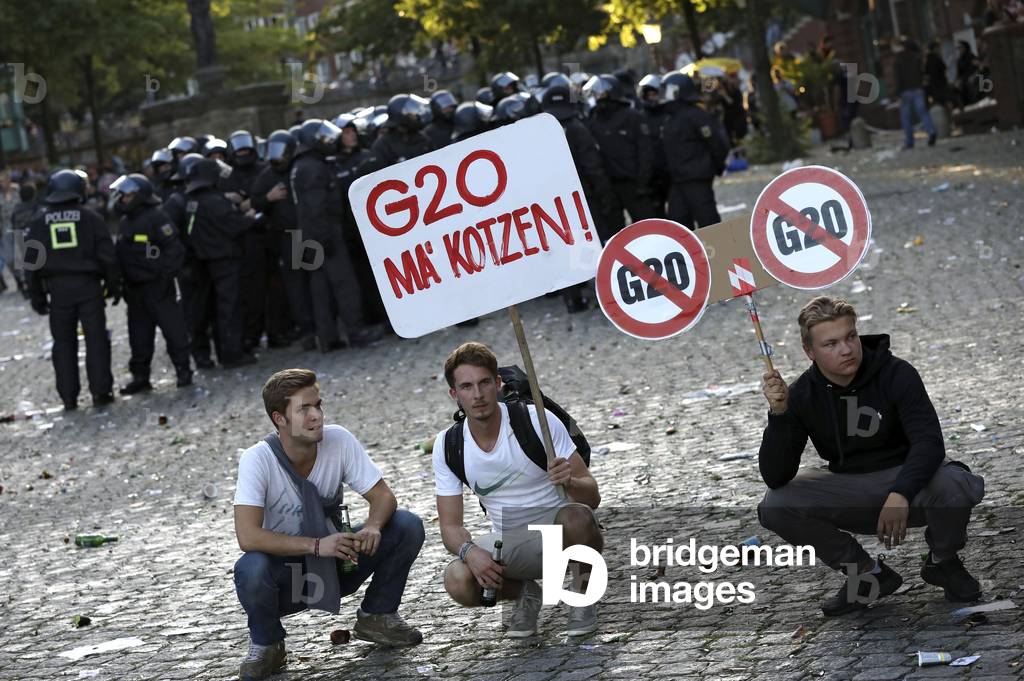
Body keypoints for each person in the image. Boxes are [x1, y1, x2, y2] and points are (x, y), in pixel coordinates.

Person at [757, 297, 985, 616]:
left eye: (850, 336)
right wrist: (779, 414)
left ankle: (942, 562)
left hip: (911, 483)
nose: (847, 349)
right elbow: (776, 476)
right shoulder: (802, 394)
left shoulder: (897, 373)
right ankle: (867, 575)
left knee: (955, 482)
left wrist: (900, 493)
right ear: (809, 351)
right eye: (831, 343)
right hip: (851, 488)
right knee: (776, 505)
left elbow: (929, 442)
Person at [233, 369, 424, 680]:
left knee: (405, 525)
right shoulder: (257, 459)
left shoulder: (339, 440)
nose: (317, 416)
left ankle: (377, 615)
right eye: (304, 409)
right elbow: (247, 535)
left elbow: (384, 496)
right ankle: (268, 644)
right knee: (250, 568)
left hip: (339, 565)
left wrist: (373, 526)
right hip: (288, 578)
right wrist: (317, 545)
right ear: (279, 418)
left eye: (318, 405)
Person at [433, 343, 602, 638]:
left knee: (578, 517)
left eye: (485, 383)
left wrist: (570, 481)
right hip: (511, 546)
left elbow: (592, 496)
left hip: (562, 533)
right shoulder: (448, 444)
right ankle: (525, 594)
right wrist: (470, 552)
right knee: (457, 578)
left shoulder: (538, 421)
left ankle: (582, 597)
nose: (478, 394)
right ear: (454, 394)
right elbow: (450, 527)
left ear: (498, 383)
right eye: (467, 386)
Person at [26, 169, 120, 410]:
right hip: (89, 288)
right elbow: (108, 257)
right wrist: (113, 285)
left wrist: (36, 295)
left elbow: (31, 264)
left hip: (59, 291)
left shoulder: (38, 223)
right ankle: (101, 391)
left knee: (64, 344)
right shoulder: (91, 219)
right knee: (96, 340)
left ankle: (68, 396)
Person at [290, 118, 383, 351]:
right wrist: (325, 237)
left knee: (320, 288)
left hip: (307, 233)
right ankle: (356, 330)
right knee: (344, 284)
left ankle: (327, 337)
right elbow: (316, 206)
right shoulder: (313, 167)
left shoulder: (302, 165)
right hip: (324, 231)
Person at [110, 173, 192, 393]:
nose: (121, 199)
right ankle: (140, 377)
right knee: (139, 336)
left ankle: (183, 370)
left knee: (174, 330)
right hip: (135, 290)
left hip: (157, 286)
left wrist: (163, 275)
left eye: (126, 195)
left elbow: (174, 250)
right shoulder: (126, 222)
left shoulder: (157, 217)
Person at [183, 157, 257, 368]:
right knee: (230, 308)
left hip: (206, 261)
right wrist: (250, 218)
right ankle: (233, 353)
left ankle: (226, 351)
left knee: (217, 309)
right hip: (225, 260)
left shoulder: (193, 201)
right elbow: (233, 226)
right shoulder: (215, 201)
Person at [251, 129, 317, 353]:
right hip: (289, 237)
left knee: (315, 280)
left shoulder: (298, 168)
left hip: (306, 232)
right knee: (297, 284)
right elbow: (256, 201)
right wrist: (268, 199)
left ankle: (321, 325)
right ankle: (308, 328)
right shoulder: (267, 175)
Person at [582, 74, 655, 241]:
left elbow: (646, 152)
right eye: (595, 94)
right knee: (616, 238)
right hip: (609, 187)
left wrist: (643, 183)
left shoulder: (632, 117)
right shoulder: (594, 121)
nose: (597, 97)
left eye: (600, 93)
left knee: (649, 231)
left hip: (634, 184)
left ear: (611, 92)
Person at [659, 72, 727, 229]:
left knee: (709, 223)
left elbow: (717, 145)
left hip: (697, 178)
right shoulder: (670, 118)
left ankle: (723, 252)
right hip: (678, 180)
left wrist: (714, 167)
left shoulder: (697, 115)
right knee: (678, 225)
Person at [894, 38, 937, 149]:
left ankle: (909, 141)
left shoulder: (899, 59)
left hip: (905, 92)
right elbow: (922, 73)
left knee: (906, 118)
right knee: (923, 113)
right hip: (918, 89)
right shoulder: (917, 58)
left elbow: (898, 78)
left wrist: (898, 92)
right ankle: (931, 130)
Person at [0, 169, 20, 293]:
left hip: (19, 227)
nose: (2, 183)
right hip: (5, 229)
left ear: (9, 180)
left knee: (21, 258)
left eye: (3, 180)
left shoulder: (17, 190)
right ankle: (17, 278)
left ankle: (24, 282)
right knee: (9, 259)